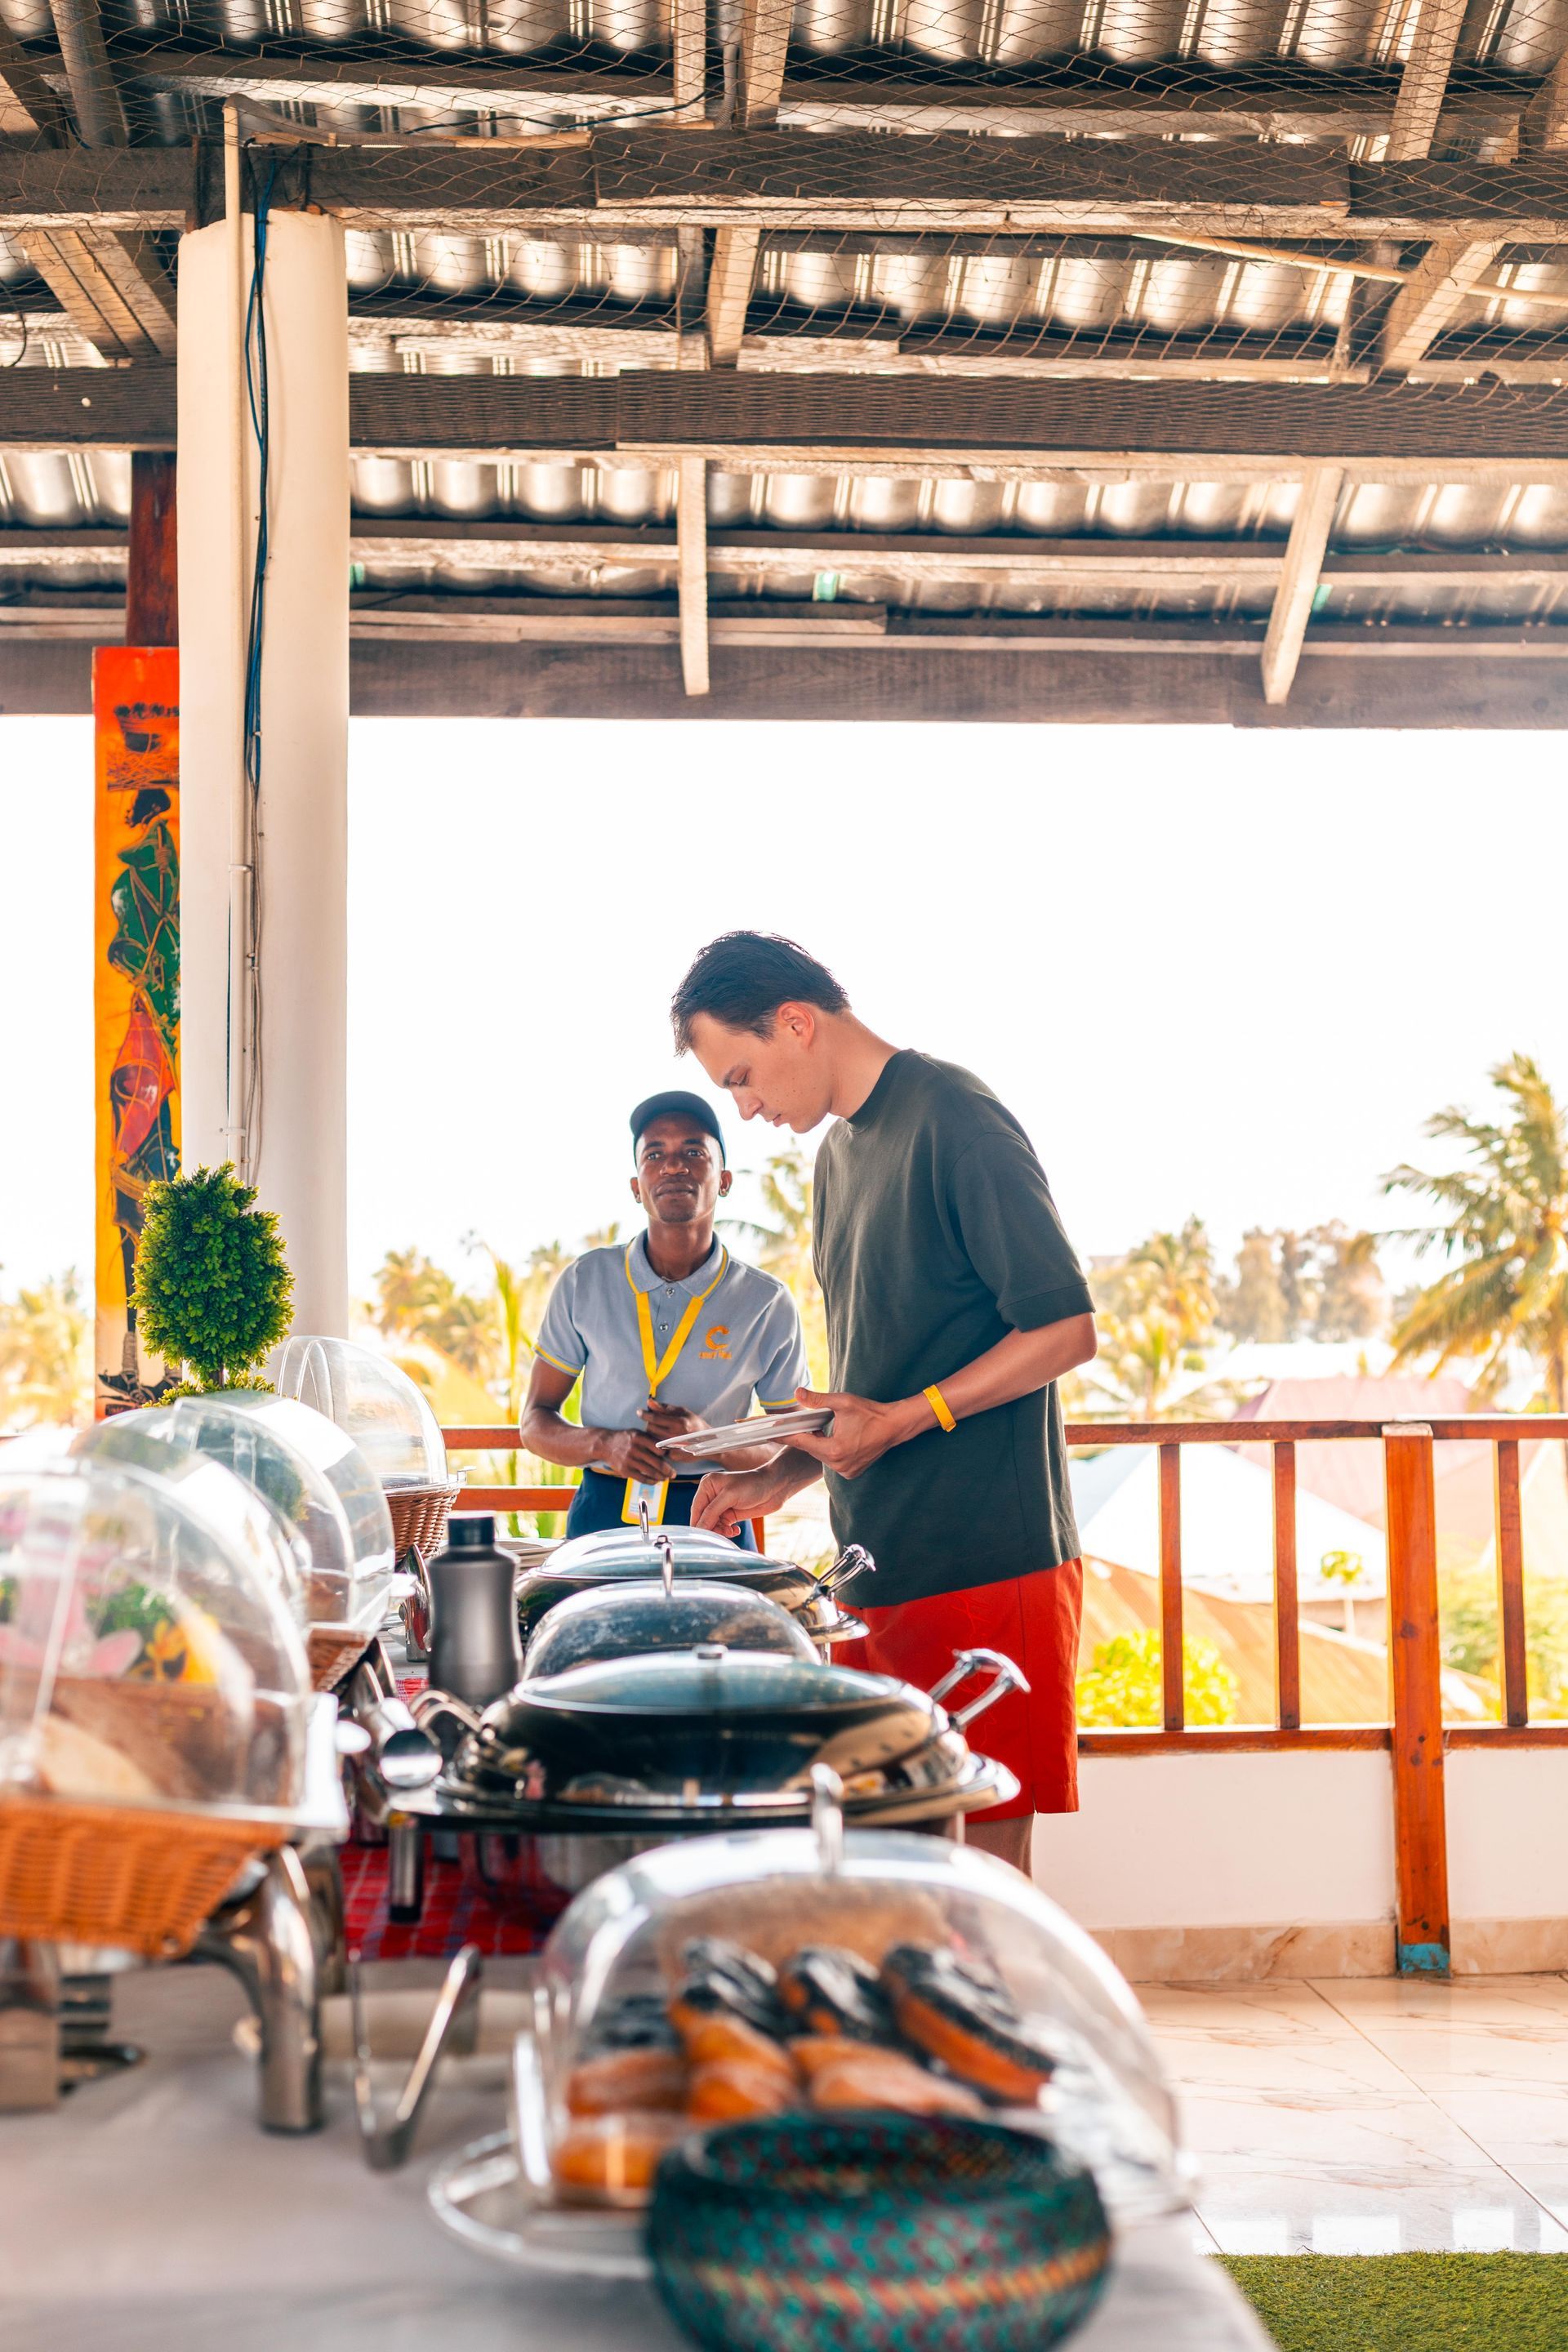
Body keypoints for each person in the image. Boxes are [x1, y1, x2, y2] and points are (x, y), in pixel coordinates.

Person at [672, 933, 1096, 1873]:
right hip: (874, 1567)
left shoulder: (956, 1119)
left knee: (979, 1881)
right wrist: (784, 1471)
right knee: (892, 1874)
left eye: (742, 1077)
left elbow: (1067, 1331)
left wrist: (906, 1419)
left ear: (796, 1023)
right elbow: (883, 1368)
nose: (745, 1109)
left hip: (987, 1564)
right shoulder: (837, 1157)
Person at [519, 1090, 808, 1544]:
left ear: (724, 1180)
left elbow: (798, 1449)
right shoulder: (585, 1280)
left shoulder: (766, 1301)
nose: (673, 1166)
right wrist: (605, 1444)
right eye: (654, 1155)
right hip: (602, 1509)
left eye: (693, 1152)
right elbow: (535, 1423)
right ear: (637, 1187)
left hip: (716, 1515)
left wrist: (711, 1441)